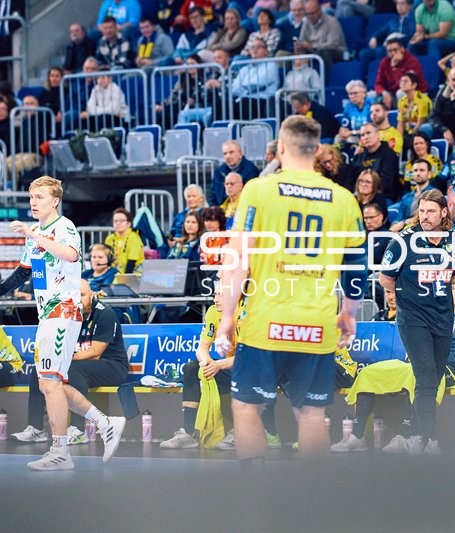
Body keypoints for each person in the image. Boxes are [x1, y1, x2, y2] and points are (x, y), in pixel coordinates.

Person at [216, 116, 366, 463]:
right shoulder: (344, 199)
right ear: (317, 150)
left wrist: (227, 315)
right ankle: (313, 492)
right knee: (311, 413)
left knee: (247, 407)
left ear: (281, 148)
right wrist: (349, 312)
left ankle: (255, 488)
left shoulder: (259, 190)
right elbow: (358, 265)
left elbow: (237, 259)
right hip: (316, 324)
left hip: (266, 322)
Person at [0, 176, 125, 470]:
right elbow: (23, 273)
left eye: (40, 197)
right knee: (51, 382)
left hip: (63, 311)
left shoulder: (64, 226)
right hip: (47, 315)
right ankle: (105, 422)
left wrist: (33, 236)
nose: (34, 202)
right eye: (32, 197)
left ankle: (61, 452)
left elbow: (70, 255)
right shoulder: (37, 234)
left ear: (55, 201)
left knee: (50, 381)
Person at [333, 273, 455, 454]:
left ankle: (406, 436)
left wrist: (435, 355)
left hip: (447, 368)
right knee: (369, 373)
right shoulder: (434, 317)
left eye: (452, 288)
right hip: (419, 361)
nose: (447, 292)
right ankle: (357, 437)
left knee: (417, 376)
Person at [379, 189, 455, 455]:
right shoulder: (404, 240)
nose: (425, 216)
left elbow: (454, 274)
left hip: (443, 317)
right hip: (413, 319)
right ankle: (431, 441)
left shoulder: (452, 239)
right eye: (422, 211)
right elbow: (385, 278)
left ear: (444, 212)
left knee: (433, 381)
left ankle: (413, 435)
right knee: (425, 380)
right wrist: (409, 297)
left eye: (431, 211)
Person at [159, 284, 282, 450]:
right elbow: (202, 348)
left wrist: (219, 364)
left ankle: (256, 432)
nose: (215, 299)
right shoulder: (213, 312)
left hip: (261, 369)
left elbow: (252, 355)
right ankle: (189, 433)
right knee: (191, 368)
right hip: (233, 368)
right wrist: (207, 364)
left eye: (221, 295)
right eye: (215, 294)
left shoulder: (250, 312)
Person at [16, 280, 129, 445]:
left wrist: (64, 360)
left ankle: (78, 430)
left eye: (83, 295)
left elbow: (95, 353)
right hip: (81, 364)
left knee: (73, 371)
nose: (79, 300)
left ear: (91, 294)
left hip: (112, 366)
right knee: (40, 370)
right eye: (76, 296)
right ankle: (36, 428)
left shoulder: (105, 313)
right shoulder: (67, 314)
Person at [358, 0, 416, 78]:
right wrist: (374, 37)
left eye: (402, 3)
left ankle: (382, 77)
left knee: (381, 51)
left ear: (409, 6)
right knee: (364, 53)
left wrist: (397, 40)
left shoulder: (413, 19)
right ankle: (363, 79)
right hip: (388, 45)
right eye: (397, 4)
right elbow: (381, 31)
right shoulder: (394, 20)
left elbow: (412, 34)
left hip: (400, 45)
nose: (399, 6)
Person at [347, 122, 401, 201]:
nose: (366, 137)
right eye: (362, 135)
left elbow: (386, 182)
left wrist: (367, 191)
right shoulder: (359, 157)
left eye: (368, 133)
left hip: (383, 196)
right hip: (360, 196)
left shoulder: (389, 155)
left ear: (378, 134)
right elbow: (351, 179)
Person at [230, 39, 279, 120]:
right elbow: (234, 88)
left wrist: (243, 90)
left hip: (263, 100)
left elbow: (259, 84)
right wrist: (246, 90)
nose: (254, 50)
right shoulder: (245, 68)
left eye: (258, 47)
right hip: (244, 99)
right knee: (224, 102)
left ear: (266, 51)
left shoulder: (271, 65)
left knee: (245, 102)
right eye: (252, 47)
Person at [374, 38, 427, 109]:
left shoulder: (412, 61)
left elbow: (404, 85)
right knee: (372, 95)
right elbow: (378, 84)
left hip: (417, 92)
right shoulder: (384, 62)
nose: (393, 53)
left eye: (395, 50)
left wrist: (395, 68)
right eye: (390, 51)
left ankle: (406, 115)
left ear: (402, 49)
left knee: (401, 92)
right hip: (393, 94)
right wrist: (384, 92)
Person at [296, 0, 347, 66]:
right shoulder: (306, 23)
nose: (310, 16)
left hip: (334, 53)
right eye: (307, 14)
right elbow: (302, 41)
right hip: (315, 53)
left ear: (319, 10)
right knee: (298, 52)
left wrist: (312, 46)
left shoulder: (331, 22)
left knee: (325, 52)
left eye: (313, 13)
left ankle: (325, 73)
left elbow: (332, 44)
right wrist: (300, 46)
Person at [209, 140, 259, 206]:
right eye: (225, 154)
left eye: (231, 152)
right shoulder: (219, 172)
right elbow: (213, 196)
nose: (227, 156)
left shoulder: (251, 171)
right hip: (221, 209)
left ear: (240, 153)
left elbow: (252, 196)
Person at [392, 158, 435, 231]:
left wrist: (405, 222)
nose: (418, 173)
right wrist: (394, 226)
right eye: (415, 170)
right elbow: (399, 218)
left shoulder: (434, 193)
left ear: (429, 174)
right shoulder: (406, 197)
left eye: (422, 170)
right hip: (405, 231)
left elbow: (427, 216)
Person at [396, 72, 432, 156]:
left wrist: (411, 136)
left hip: (421, 131)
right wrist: (398, 139)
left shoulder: (422, 100)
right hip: (408, 132)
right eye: (401, 81)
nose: (402, 83)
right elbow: (400, 123)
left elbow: (420, 123)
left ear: (414, 85)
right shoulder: (402, 101)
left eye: (406, 81)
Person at [105, 208, 144, 274]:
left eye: (121, 221)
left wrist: (125, 278)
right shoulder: (109, 238)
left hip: (133, 274)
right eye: (115, 221)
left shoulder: (134, 238)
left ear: (128, 223)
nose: (118, 223)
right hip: (114, 273)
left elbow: (131, 262)